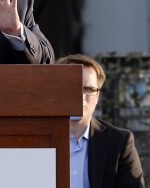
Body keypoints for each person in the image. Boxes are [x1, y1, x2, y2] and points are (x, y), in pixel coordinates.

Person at [56, 54, 145, 188]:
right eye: (71, 87)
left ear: (97, 96)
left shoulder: (119, 142)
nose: (80, 96)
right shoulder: (36, 140)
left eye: (89, 89)